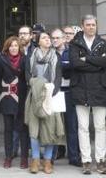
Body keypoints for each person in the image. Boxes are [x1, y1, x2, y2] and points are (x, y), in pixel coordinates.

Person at [69, 14, 106, 175]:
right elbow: (74, 63)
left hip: (99, 89)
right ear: (82, 25)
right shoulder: (74, 44)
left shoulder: (103, 43)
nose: (91, 27)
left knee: (100, 127)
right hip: (80, 88)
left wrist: (85, 59)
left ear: (96, 25)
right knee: (83, 127)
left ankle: (100, 160)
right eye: (88, 25)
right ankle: (86, 160)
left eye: (93, 24)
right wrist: (95, 62)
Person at [24, 31, 64, 174]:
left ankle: (47, 160)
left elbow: (58, 76)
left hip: (51, 95)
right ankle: (35, 159)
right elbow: (28, 75)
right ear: (38, 41)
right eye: (44, 38)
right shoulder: (31, 55)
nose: (48, 40)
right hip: (34, 95)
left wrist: (51, 92)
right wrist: (36, 87)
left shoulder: (56, 56)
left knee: (50, 128)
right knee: (34, 129)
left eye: (49, 38)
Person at [0, 36, 28, 169]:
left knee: (23, 129)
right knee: (8, 129)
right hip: (7, 98)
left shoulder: (25, 59)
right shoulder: (1, 59)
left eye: (16, 45)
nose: (13, 48)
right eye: (11, 46)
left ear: (19, 47)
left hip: (22, 98)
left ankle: (24, 158)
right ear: (7, 48)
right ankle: (8, 157)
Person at [51, 28, 79, 166]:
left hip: (69, 91)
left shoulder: (72, 51)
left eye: (57, 38)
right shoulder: (50, 53)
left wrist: (62, 67)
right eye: (53, 38)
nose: (55, 40)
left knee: (71, 125)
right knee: (55, 125)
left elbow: (75, 67)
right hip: (55, 92)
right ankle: (53, 155)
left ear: (63, 38)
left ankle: (74, 156)